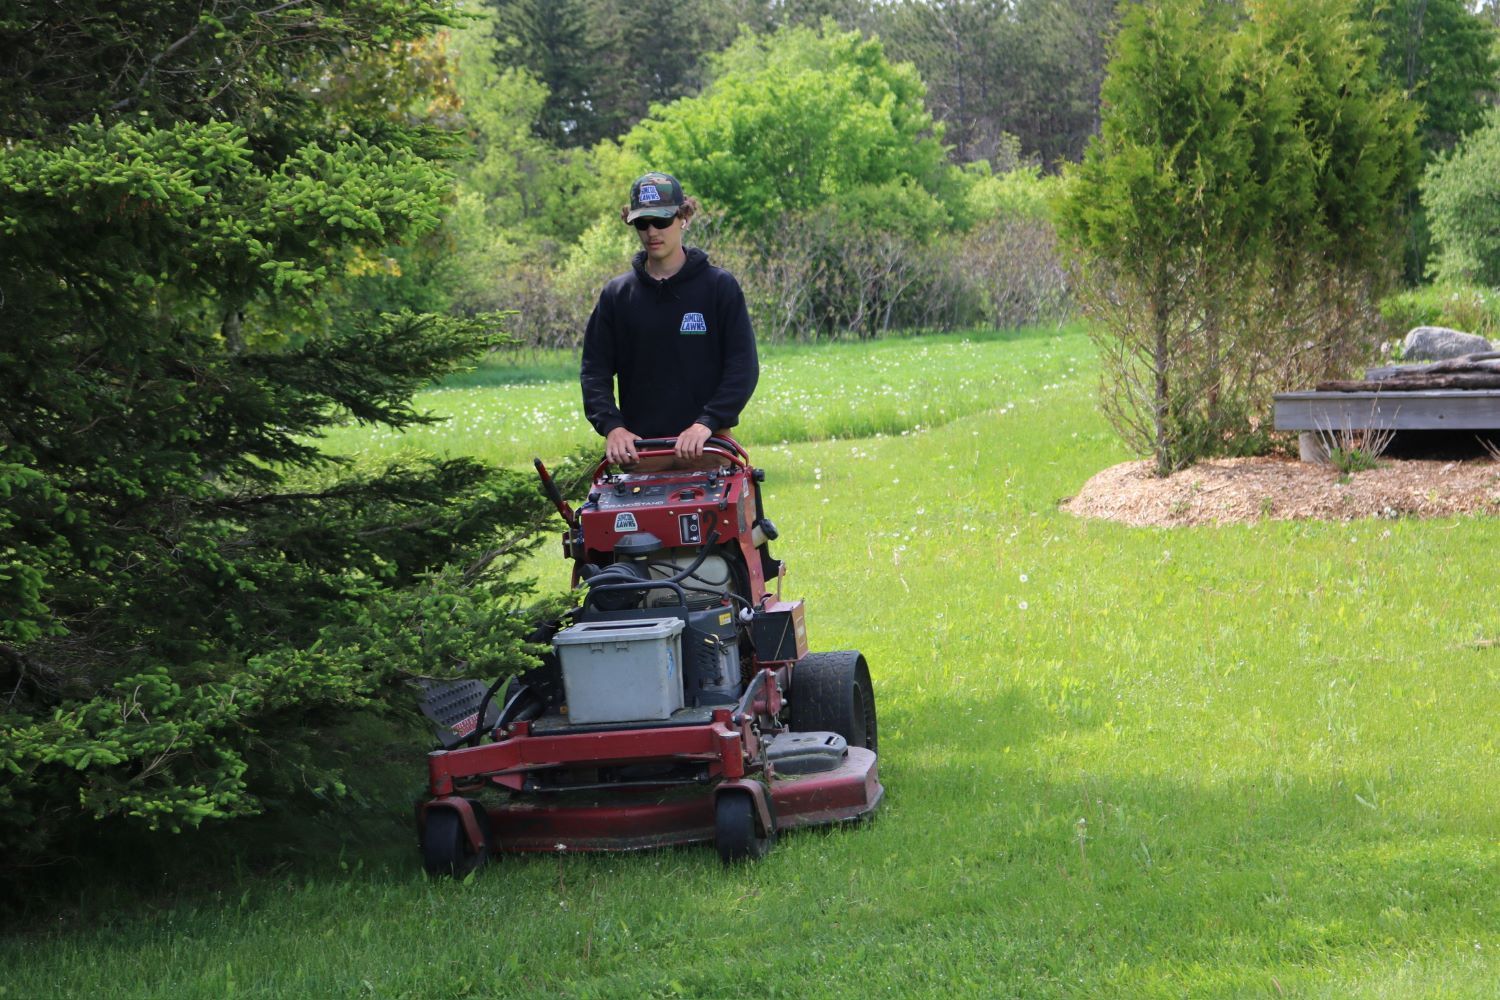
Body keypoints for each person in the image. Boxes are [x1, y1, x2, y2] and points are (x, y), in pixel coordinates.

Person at [580, 171, 758, 470]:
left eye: (662, 221)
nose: (652, 232)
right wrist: (613, 427)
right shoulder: (617, 295)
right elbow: (594, 371)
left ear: (683, 217)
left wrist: (706, 423)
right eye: (642, 223)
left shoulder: (718, 287)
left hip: (709, 446)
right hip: (641, 453)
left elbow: (743, 367)